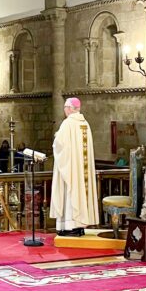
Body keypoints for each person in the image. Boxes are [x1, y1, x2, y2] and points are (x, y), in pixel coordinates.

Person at [50, 97, 99, 237]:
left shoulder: (68, 124)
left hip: (71, 169)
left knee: (70, 194)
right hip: (81, 170)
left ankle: (69, 226)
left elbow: (59, 145)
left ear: (71, 108)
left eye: (66, 107)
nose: (64, 110)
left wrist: (56, 136)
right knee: (81, 194)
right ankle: (80, 226)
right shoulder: (85, 124)